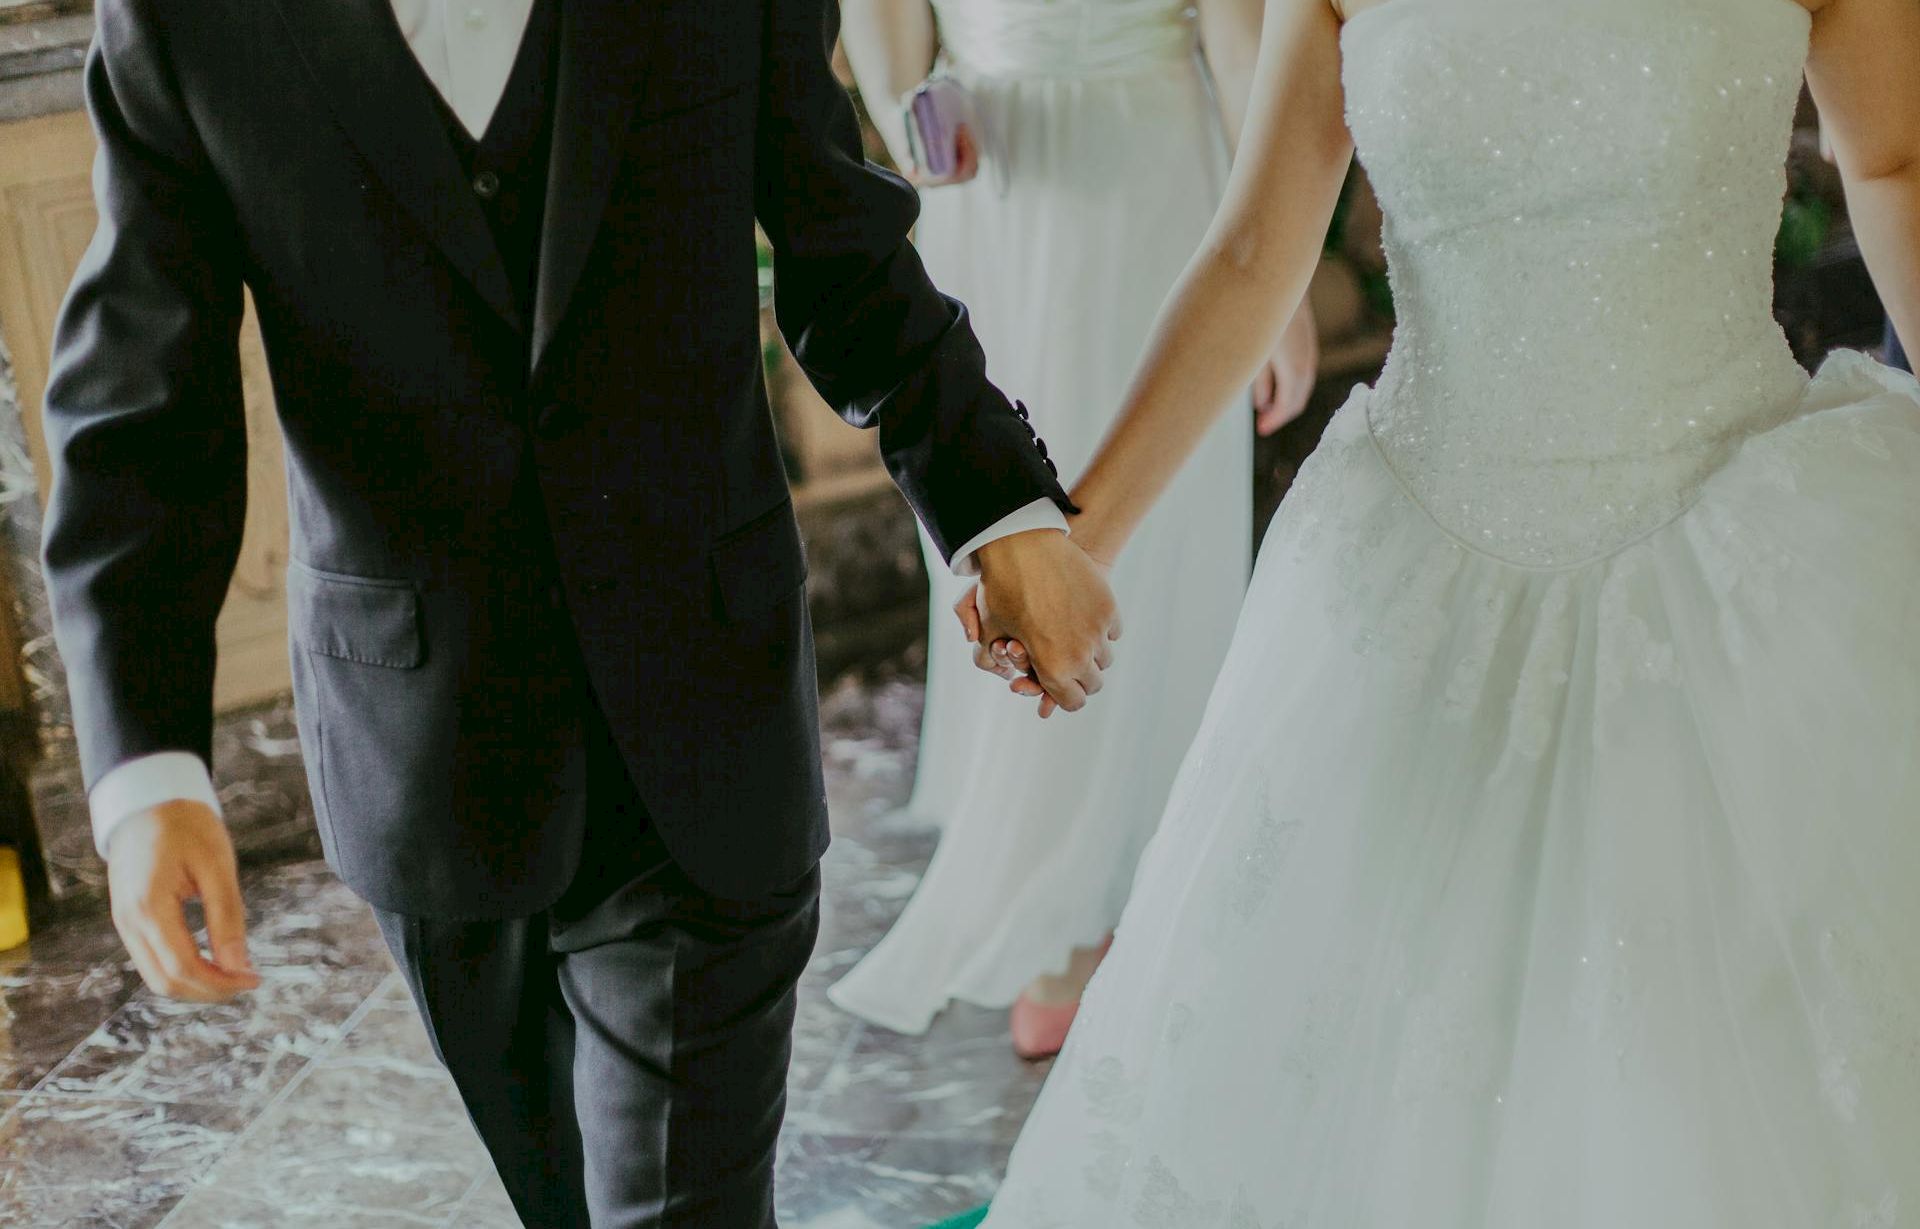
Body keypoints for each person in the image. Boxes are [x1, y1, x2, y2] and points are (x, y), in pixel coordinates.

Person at [37, 0, 1122, 1225]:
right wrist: (144, 767)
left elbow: (844, 247)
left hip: (704, 721)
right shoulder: (188, 21)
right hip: (424, 752)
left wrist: (999, 509)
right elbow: (141, 404)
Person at [967, 0, 1920, 1221]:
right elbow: (1259, 247)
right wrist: (1074, 536)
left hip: (1738, 567)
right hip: (1408, 582)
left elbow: (1893, 161)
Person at [828, 0, 1319, 1059]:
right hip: (1081, 178)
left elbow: (886, 39)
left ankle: (1089, 894)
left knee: (1084, 516)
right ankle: (1085, 898)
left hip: (1026, 180)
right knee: (1072, 526)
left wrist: (916, 125)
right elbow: (1237, 42)